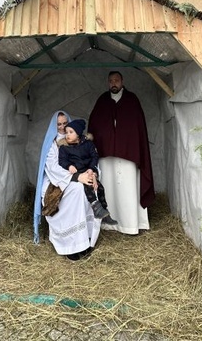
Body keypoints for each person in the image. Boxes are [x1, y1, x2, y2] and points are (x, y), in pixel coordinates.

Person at [88, 71, 155, 234]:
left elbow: (138, 128)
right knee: (108, 188)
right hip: (106, 156)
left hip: (129, 156)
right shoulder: (102, 101)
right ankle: (108, 224)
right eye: (111, 81)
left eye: (116, 80)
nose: (114, 83)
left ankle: (130, 224)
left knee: (128, 189)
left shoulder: (132, 100)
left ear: (122, 81)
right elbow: (95, 125)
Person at [33, 111, 101, 261]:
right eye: (59, 124)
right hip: (57, 179)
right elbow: (53, 168)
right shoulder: (53, 143)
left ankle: (85, 240)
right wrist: (76, 177)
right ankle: (70, 245)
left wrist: (92, 174)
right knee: (76, 191)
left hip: (81, 174)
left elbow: (91, 157)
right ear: (54, 126)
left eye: (65, 123)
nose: (63, 127)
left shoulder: (79, 140)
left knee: (90, 189)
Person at [58, 118, 117, 224]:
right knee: (88, 186)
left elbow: (94, 156)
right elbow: (62, 160)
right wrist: (69, 166)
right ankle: (96, 207)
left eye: (71, 132)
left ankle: (105, 212)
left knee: (100, 188)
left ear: (78, 133)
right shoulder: (64, 148)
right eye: (66, 132)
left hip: (88, 170)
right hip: (78, 173)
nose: (67, 135)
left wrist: (91, 169)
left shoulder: (88, 144)